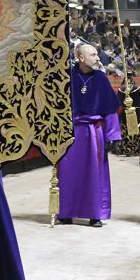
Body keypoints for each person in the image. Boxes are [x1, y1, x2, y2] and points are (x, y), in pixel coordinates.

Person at [56, 43, 121, 227]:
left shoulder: (101, 78)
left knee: (95, 173)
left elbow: (110, 109)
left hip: (94, 133)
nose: (98, 58)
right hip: (71, 131)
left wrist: (112, 135)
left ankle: (95, 214)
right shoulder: (67, 76)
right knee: (68, 173)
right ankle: (66, 212)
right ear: (81, 57)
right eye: (93, 55)